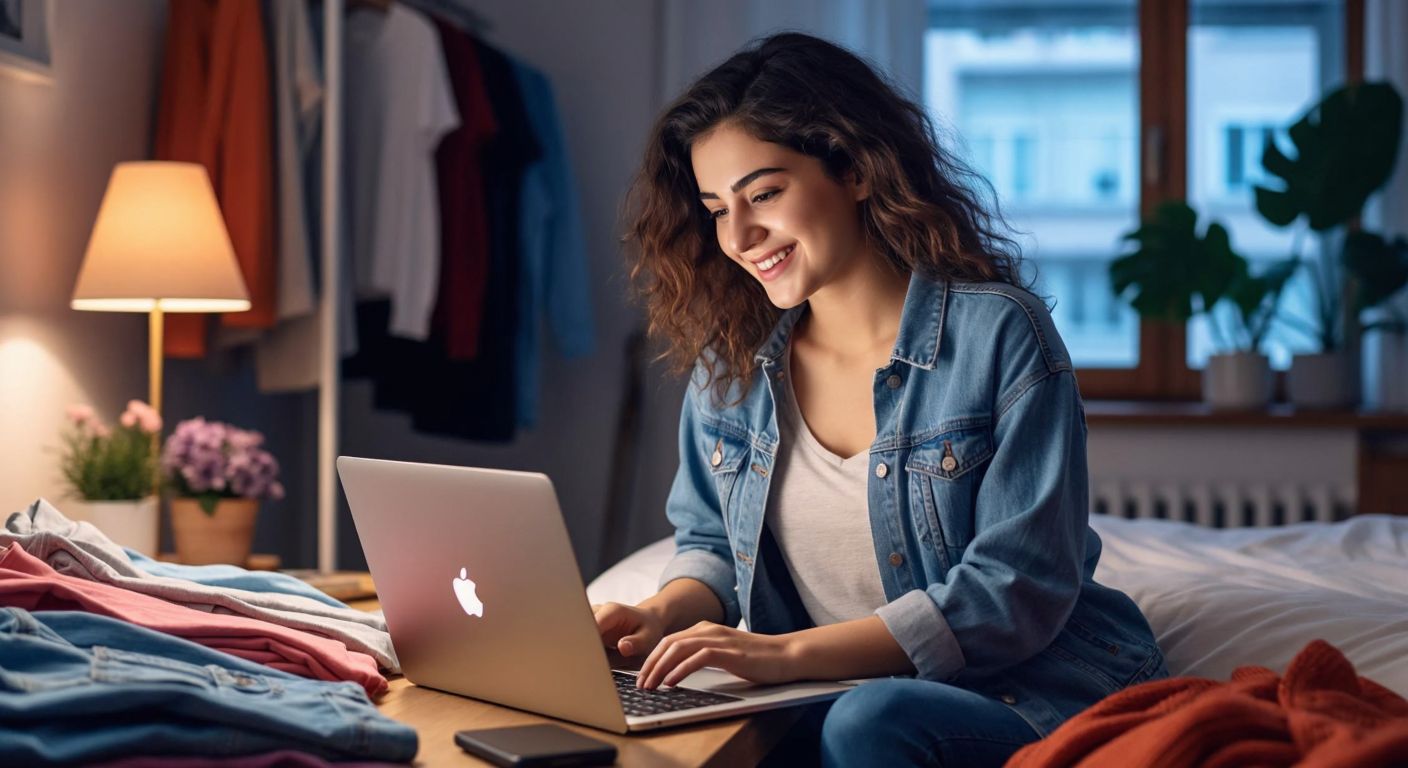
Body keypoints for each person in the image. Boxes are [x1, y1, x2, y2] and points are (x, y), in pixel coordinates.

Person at [594, 32, 1167, 767]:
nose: (738, 236)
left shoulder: (998, 334)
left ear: (856, 169)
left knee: (869, 721)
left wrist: (781, 656)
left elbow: (1013, 592)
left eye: (765, 193)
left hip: (1023, 693)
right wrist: (656, 615)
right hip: (822, 696)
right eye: (715, 208)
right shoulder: (730, 369)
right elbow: (708, 543)